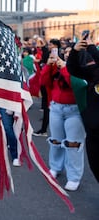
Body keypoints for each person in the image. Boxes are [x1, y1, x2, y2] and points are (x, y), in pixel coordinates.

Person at [40, 46, 86, 191]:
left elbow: (77, 84)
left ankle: (74, 176)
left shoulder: (83, 69)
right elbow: (43, 81)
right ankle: (55, 167)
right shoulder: (58, 67)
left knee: (73, 144)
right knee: (55, 140)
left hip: (75, 110)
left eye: (70, 53)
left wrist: (65, 68)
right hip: (56, 108)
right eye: (65, 52)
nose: (66, 55)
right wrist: (48, 65)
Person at [67, 37, 99, 182]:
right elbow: (74, 70)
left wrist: (92, 48)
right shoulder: (95, 72)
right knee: (95, 165)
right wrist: (75, 51)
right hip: (93, 130)